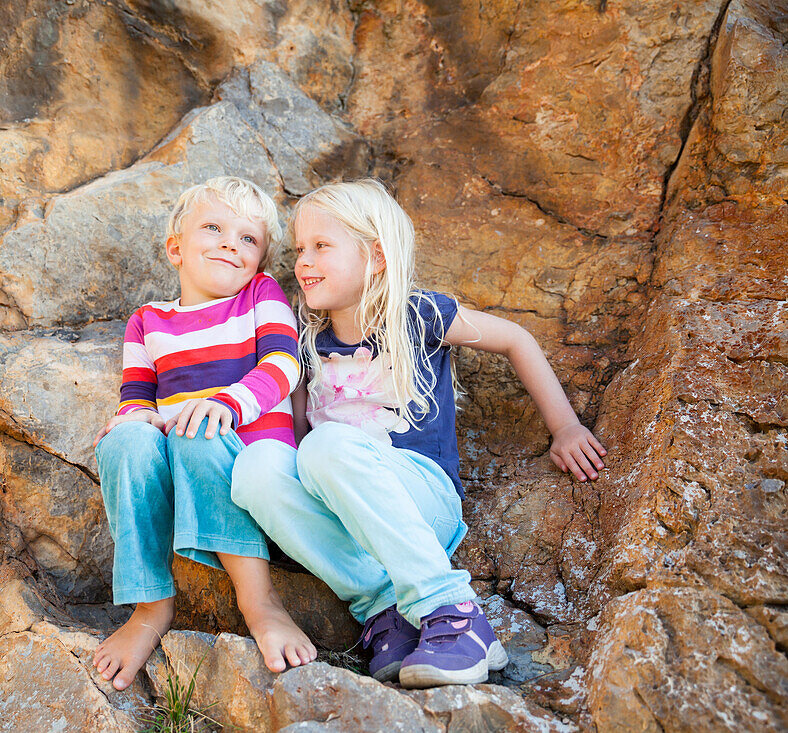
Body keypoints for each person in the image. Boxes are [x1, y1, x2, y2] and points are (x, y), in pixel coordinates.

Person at [232, 179, 607, 688]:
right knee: (256, 468)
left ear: (377, 256)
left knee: (324, 447)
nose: (303, 261)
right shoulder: (304, 339)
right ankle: (386, 610)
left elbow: (516, 339)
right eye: (299, 249)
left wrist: (564, 426)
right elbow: (298, 441)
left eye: (322, 246)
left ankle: (454, 613)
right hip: (350, 513)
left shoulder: (418, 315)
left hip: (421, 496)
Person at [91, 176, 317, 691]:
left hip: (247, 464)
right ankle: (151, 608)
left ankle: (259, 602)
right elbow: (137, 395)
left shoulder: (261, 294)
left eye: (247, 238)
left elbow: (284, 364)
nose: (228, 243)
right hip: (179, 465)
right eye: (213, 228)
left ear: (259, 261)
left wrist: (224, 403)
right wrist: (134, 418)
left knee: (200, 432)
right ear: (176, 247)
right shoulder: (146, 322)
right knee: (124, 438)